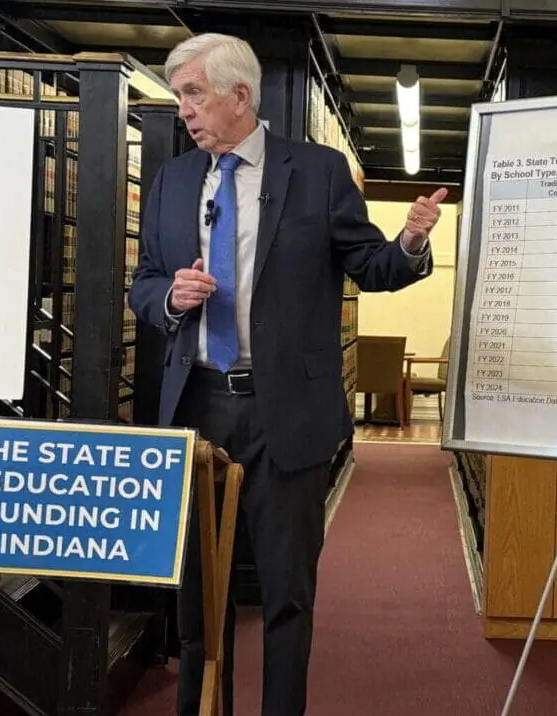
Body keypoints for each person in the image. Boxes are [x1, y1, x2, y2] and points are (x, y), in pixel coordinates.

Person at [128, 32, 446, 716]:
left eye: (193, 93)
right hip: (198, 409)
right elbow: (143, 283)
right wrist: (167, 299)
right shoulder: (173, 179)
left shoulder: (320, 172)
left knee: (286, 593)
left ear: (239, 96)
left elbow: (374, 268)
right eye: (180, 94)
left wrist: (412, 241)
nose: (183, 109)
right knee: (198, 596)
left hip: (288, 416)